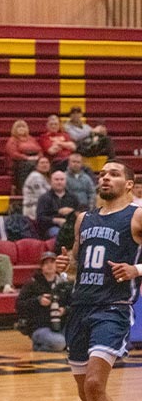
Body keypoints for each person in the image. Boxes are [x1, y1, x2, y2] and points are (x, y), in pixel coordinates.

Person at [54, 161, 142, 401]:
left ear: (129, 185)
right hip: (80, 307)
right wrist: (65, 266)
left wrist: (137, 269)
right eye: (102, 174)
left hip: (113, 308)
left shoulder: (137, 215)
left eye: (114, 174)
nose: (105, 178)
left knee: (94, 384)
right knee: (86, 393)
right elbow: (75, 263)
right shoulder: (84, 218)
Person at [16, 251, 72, 352]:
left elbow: (73, 304)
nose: (50, 265)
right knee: (60, 343)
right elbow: (19, 305)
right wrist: (38, 301)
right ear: (41, 267)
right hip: (40, 327)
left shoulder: (64, 284)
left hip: (61, 326)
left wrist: (65, 310)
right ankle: (40, 345)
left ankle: (45, 345)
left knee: (76, 342)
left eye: (52, 262)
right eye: (46, 263)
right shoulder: (32, 284)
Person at [37, 170, 80, 239]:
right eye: (56, 180)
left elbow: (80, 213)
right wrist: (56, 220)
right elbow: (40, 218)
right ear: (51, 181)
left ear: (65, 181)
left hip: (71, 227)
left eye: (62, 179)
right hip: (51, 228)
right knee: (58, 233)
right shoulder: (44, 198)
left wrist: (72, 211)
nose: (59, 182)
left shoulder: (73, 197)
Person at [5, 119, 43, 190]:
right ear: (14, 129)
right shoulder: (12, 140)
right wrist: (26, 158)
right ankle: (24, 189)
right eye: (19, 127)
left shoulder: (31, 139)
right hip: (20, 162)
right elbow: (13, 154)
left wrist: (38, 157)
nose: (21, 128)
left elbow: (39, 150)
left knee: (42, 164)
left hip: (34, 159)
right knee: (30, 165)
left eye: (23, 127)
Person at [23, 155, 52, 220]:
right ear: (36, 166)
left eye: (47, 163)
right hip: (33, 210)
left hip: (44, 208)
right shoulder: (35, 176)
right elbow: (43, 196)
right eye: (42, 163)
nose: (45, 165)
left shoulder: (46, 177)